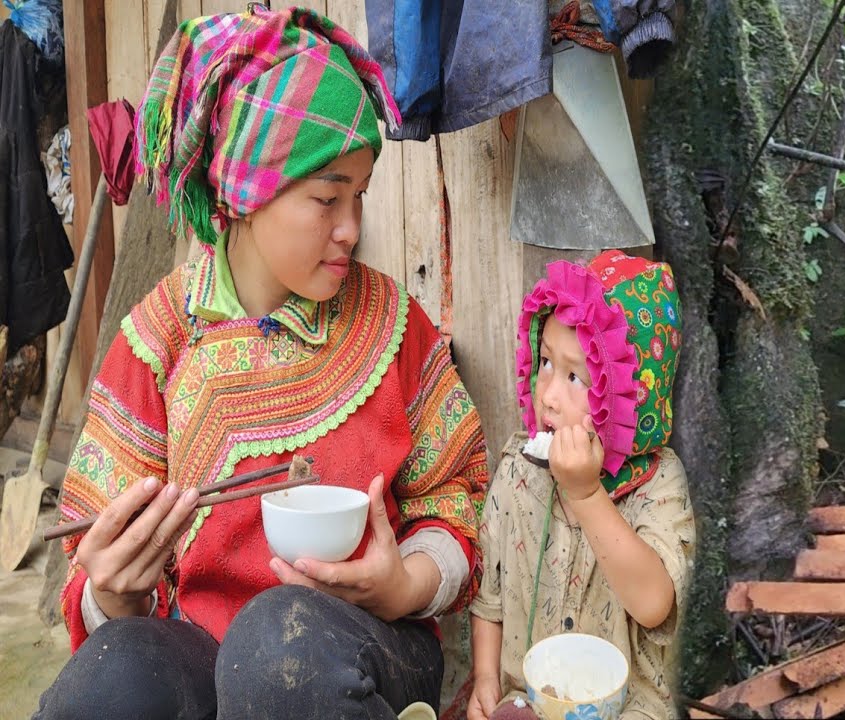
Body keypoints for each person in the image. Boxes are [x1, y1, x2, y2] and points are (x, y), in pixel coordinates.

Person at [36, 6, 488, 719]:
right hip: (202, 646)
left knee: (281, 644)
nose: (352, 229)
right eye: (326, 198)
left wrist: (405, 584)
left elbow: (452, 502)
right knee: (112, 676)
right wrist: (112, 593)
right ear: (243, 192)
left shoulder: (394, 328)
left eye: (360, 196)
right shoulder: (157, 342)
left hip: (365, 646)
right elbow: (96, 560)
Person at [467, 251, 696, 720]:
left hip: (630, 709)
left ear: (632, 394)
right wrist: (487, 678)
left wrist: (586, 493)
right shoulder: (518, 469)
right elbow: (488, 593)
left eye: (576, 377)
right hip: (529, 697)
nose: (548, 394)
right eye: (546, 362)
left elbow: (654, 604)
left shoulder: (659, 484)